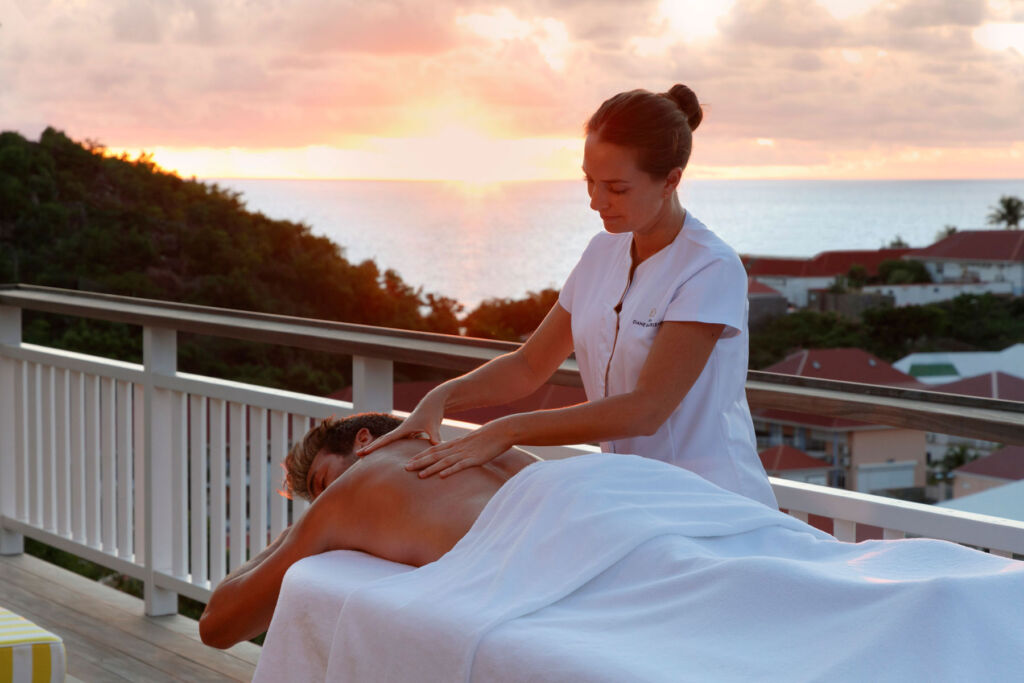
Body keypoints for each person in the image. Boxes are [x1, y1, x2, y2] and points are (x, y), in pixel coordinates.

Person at [359, 84, 776, 508]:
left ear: (671, 181)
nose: (596, 202)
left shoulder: (710, 268)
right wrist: (441, 398)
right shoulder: (602, 252)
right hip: (637, 498)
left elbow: (646, 410)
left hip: (714, 501)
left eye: (616, 188)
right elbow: (529, 365)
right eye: (589, 181)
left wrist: (508, 431)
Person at [198, 413, 540, 650]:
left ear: (363, 440)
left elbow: (216, 625)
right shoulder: (490, 451)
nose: (323, 501)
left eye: (323, 482)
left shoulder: (354, 486)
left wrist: (291, 535)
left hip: (526, 567)